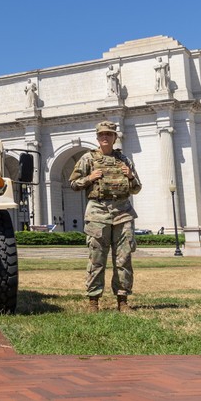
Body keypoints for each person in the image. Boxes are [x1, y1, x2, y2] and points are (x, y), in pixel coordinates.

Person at [69, 121, 141, 313]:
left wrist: (131, 176)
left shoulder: (124, 160)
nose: (105, 137)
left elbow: (137, 188)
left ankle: (123, 300)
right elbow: (74, 184)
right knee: (96, 258)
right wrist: (89, 178)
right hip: (97, 212)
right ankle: (94, 301)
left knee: (123, 258)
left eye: (109, 134)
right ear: (97, 138)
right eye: (102, 134)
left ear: (115, 138)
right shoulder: (88, 159)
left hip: (123, 212)